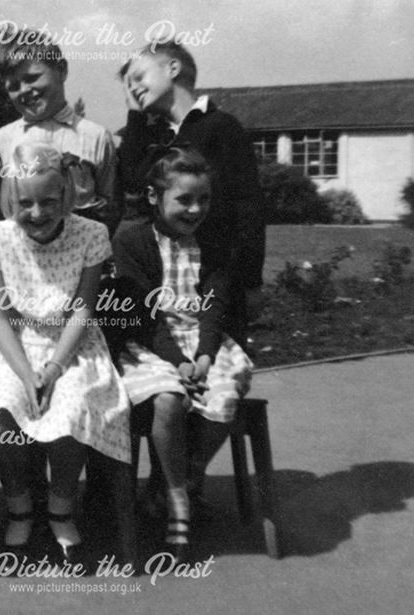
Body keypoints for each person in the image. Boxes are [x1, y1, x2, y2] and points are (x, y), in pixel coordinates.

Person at [116, 40, 265, 502]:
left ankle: (182, 481)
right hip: (166, 289)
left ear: (174, 68)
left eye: (139, 76)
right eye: (128, 85)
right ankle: (173, 485)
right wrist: (137, 117)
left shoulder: (220, 127)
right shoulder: (157, 135)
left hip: (218, 284)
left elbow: (247, 206)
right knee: (173, 389)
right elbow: (131, 182)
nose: (133, 88)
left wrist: (253, 279)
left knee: (211, 383)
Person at [0, 142, 130, 566]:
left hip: (72, 345)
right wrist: (27, 374)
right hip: (14, 346)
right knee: (3, 408)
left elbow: (83, 309)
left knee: (73, 407)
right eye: (26, 203)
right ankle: (20, 506)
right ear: (12, 199)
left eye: (49, 200)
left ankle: (61, 508)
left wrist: (57, 366)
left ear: (67, 196)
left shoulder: (91, 235)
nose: (38, 213)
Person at [112, 148, 253, 561]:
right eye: (184, 200)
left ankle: (186, 478)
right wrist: (178, 362)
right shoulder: (132, 239)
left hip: (204, 342)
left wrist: (206, 356)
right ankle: (177, 498)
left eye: (203, 200)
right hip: (152, 342)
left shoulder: (214, 240)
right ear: (155, 198)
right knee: (168, 399)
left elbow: (214, 304)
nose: (195, 209)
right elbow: (143, 312)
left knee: (223, 395)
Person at [0, 30, 119, 232]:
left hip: (81, 253)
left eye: (32, 78)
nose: (23, 90)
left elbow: (110, 205)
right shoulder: (2, 139)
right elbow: (0, 206)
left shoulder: (95, 136)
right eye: (13, 86)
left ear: (61, 70)